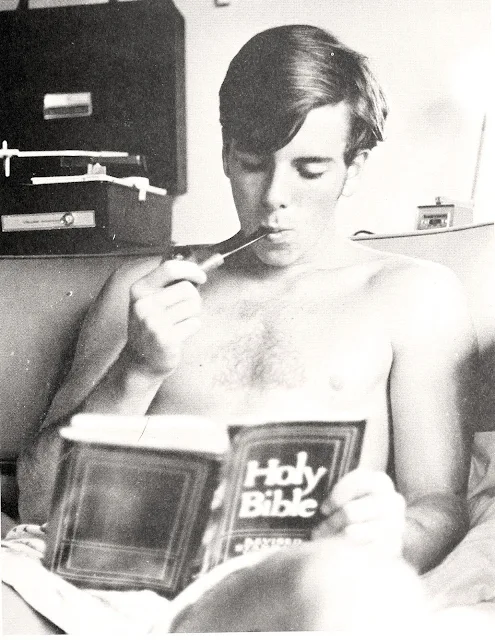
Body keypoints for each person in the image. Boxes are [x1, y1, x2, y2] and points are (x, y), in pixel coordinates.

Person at [17, 24, 480, 577]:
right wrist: (135, 370)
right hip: (117, 583)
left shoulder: (413, 296)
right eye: (254, 163)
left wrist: (389, 538)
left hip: (296, 582)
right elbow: (37, 502)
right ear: (226, 157)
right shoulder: (142, 288)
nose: (275, 197)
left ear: (353, 169)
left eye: (309, 169)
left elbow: (439, 507)